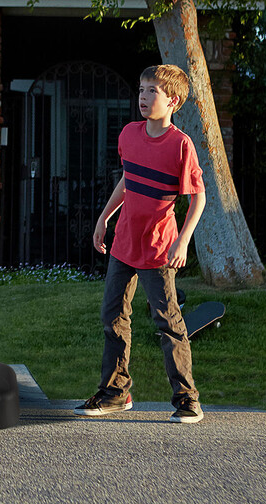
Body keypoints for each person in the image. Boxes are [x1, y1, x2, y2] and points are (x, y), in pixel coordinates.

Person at [74, 64, 207, 424]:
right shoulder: (130, 134)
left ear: (173, 101)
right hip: (124, 244)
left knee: (168, 322)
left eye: (153, 92)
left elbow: (199, 198)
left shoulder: (181, 145)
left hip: (158, 249)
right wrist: (104, 217)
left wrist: (182, 241)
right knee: (112, 316)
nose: (144, 98)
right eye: (142, 89)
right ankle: (115, 392)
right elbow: (128, 182)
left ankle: (187, 399)